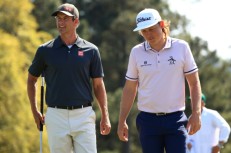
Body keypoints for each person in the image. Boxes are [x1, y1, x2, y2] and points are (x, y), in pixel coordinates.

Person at [27, 3, 111, 153]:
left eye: (65, 19)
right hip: (56, 115)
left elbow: (98, 85)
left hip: (83, 115)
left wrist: (105, 115)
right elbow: (31, 79)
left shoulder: (91, 50)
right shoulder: (45, 50)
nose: (60, 22)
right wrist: (35, 111)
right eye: (58, 19)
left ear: (76, 22)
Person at [117, 8, 202, 153]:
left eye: (151, 29)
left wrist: (196, 113)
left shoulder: (181, 47)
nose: (148, 34)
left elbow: (194, 83)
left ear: (162, 25)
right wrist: (122, 120)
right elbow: (130, 89)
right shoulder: (136, 52)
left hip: (176, 120)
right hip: (147, 121)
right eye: (144, 31)